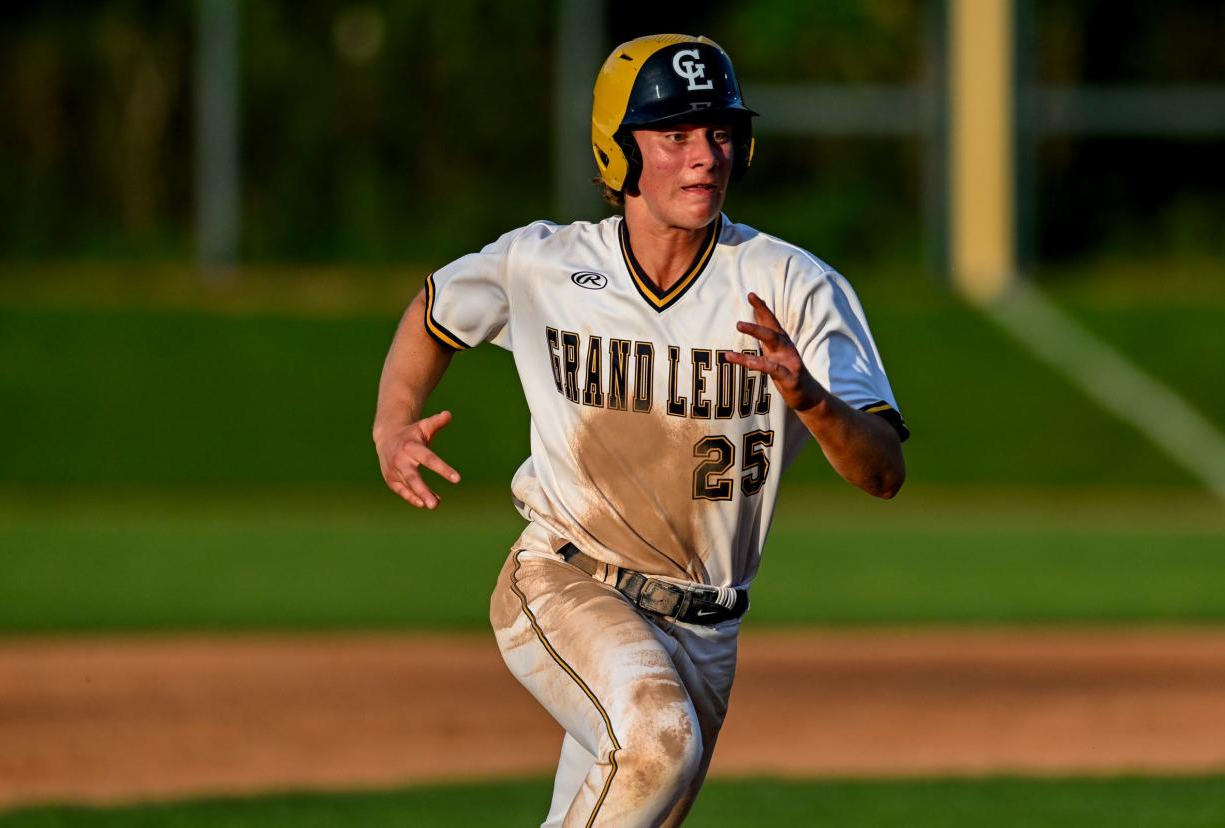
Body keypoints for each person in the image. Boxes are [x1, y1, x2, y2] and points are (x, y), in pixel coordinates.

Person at [373, 33, 908, 828]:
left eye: (721, 132)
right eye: (676, 136)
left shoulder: (793, 286)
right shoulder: (546, 264)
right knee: (656, 742)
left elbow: (883, 470)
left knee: (628, 789)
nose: (705, 156)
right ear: (618, 153)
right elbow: (436, 310)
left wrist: (815, 402)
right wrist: (393, 419)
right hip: (563, 580)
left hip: (708, 628)